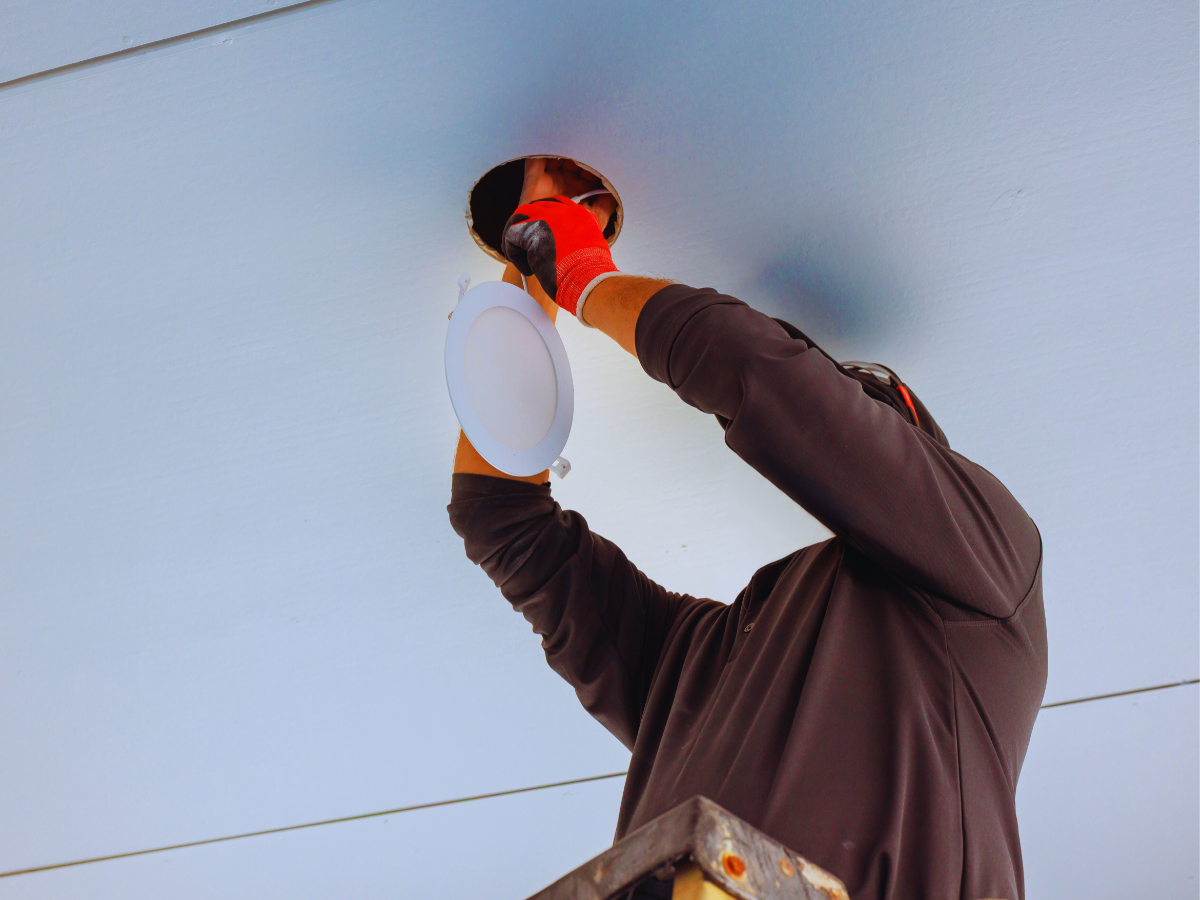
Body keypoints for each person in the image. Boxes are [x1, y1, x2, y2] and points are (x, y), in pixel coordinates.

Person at [447, 159, 1047, 900]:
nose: (836, 407)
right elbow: (500, 517)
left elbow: (762, 375)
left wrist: (583, 274)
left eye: (855, 400)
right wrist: (525, 281)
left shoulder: (989, 573)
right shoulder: (694, 670)